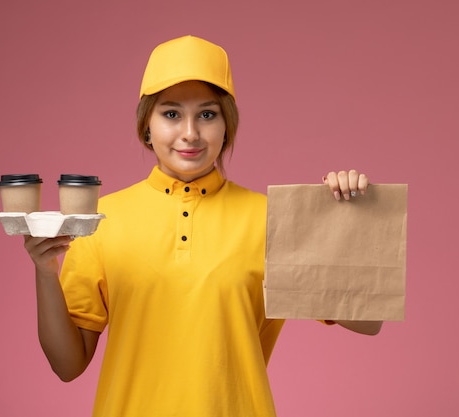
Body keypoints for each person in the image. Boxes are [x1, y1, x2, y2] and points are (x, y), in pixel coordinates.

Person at [24, 35, 382, 417]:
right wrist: (46, 272)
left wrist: (346, 220)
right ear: (147, 125)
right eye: (171, 113)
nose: (190, 133)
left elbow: (368, 321)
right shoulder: (101, 221)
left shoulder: (272, 219)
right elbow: (67, 366)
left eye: (208, 114)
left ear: (227, 126)